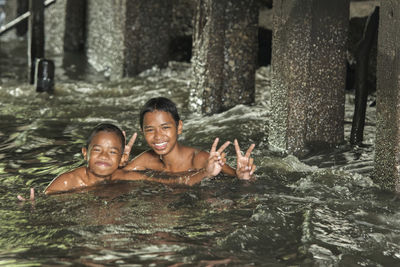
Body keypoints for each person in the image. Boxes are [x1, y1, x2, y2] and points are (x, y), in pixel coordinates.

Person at [17, 122, 229, 198]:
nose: (103, 157)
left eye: (112, 152)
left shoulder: (125, 175)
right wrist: (33, 206)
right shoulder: (68, 181)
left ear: (121, 158)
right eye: (97, 150)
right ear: (85, 153)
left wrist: (207, 173)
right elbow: (46, 201)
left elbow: (175, 183)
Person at [123, 97, 256, 179]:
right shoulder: (147, 160)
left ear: (179, 127)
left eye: (165, 128)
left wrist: (244, 177)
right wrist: (118, 164)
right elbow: (114, 177)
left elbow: (236, 176)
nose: (158, 136)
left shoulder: (199, 159)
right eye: (150, 130)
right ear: (142, 132)